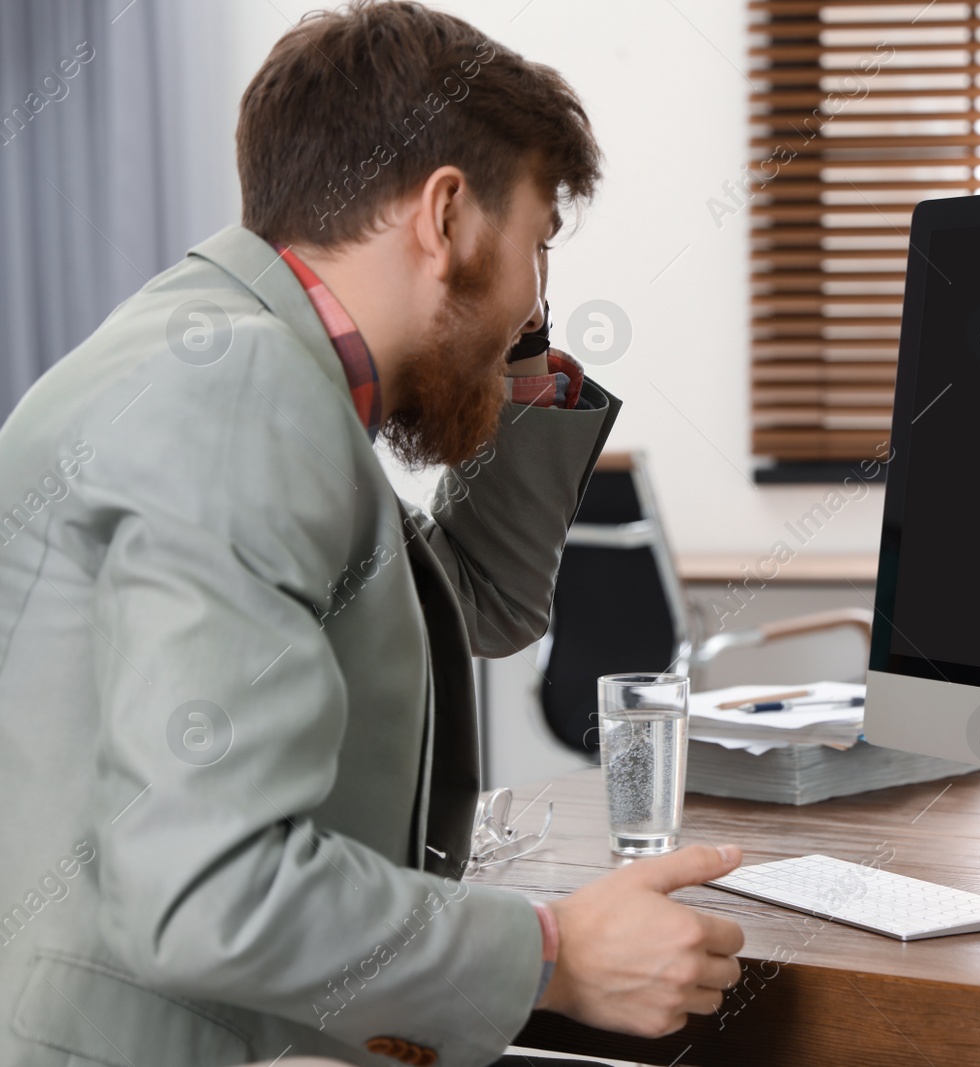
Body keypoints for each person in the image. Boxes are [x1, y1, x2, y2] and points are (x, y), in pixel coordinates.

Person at [0, 3, 744, 1065]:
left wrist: (521, 357)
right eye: (537, 246)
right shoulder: (243, 392)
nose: (536, 299)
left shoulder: (234, 357)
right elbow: (211, 886)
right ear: (446, 216)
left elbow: (470, 604)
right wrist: (553, 952)